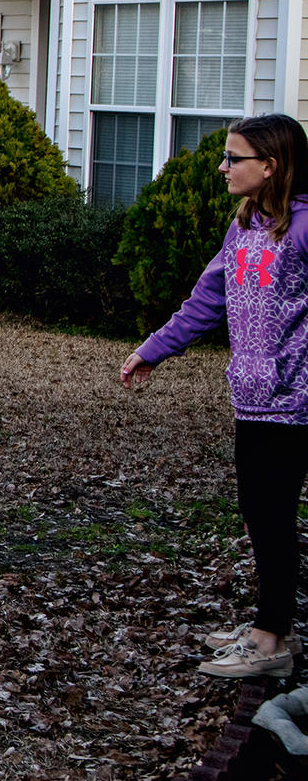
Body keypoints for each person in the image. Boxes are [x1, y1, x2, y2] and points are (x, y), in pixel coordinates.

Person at [122, 112, 308, 679]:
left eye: (235, 158)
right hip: (252, 399)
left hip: (296, 402)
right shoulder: (246, 225)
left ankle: (270, 641)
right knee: (258, 513)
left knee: (272, 516)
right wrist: (153, 349)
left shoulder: (304, 227)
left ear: (270, 165)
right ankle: (269, 624)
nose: (223, 167)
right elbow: (208, 299)